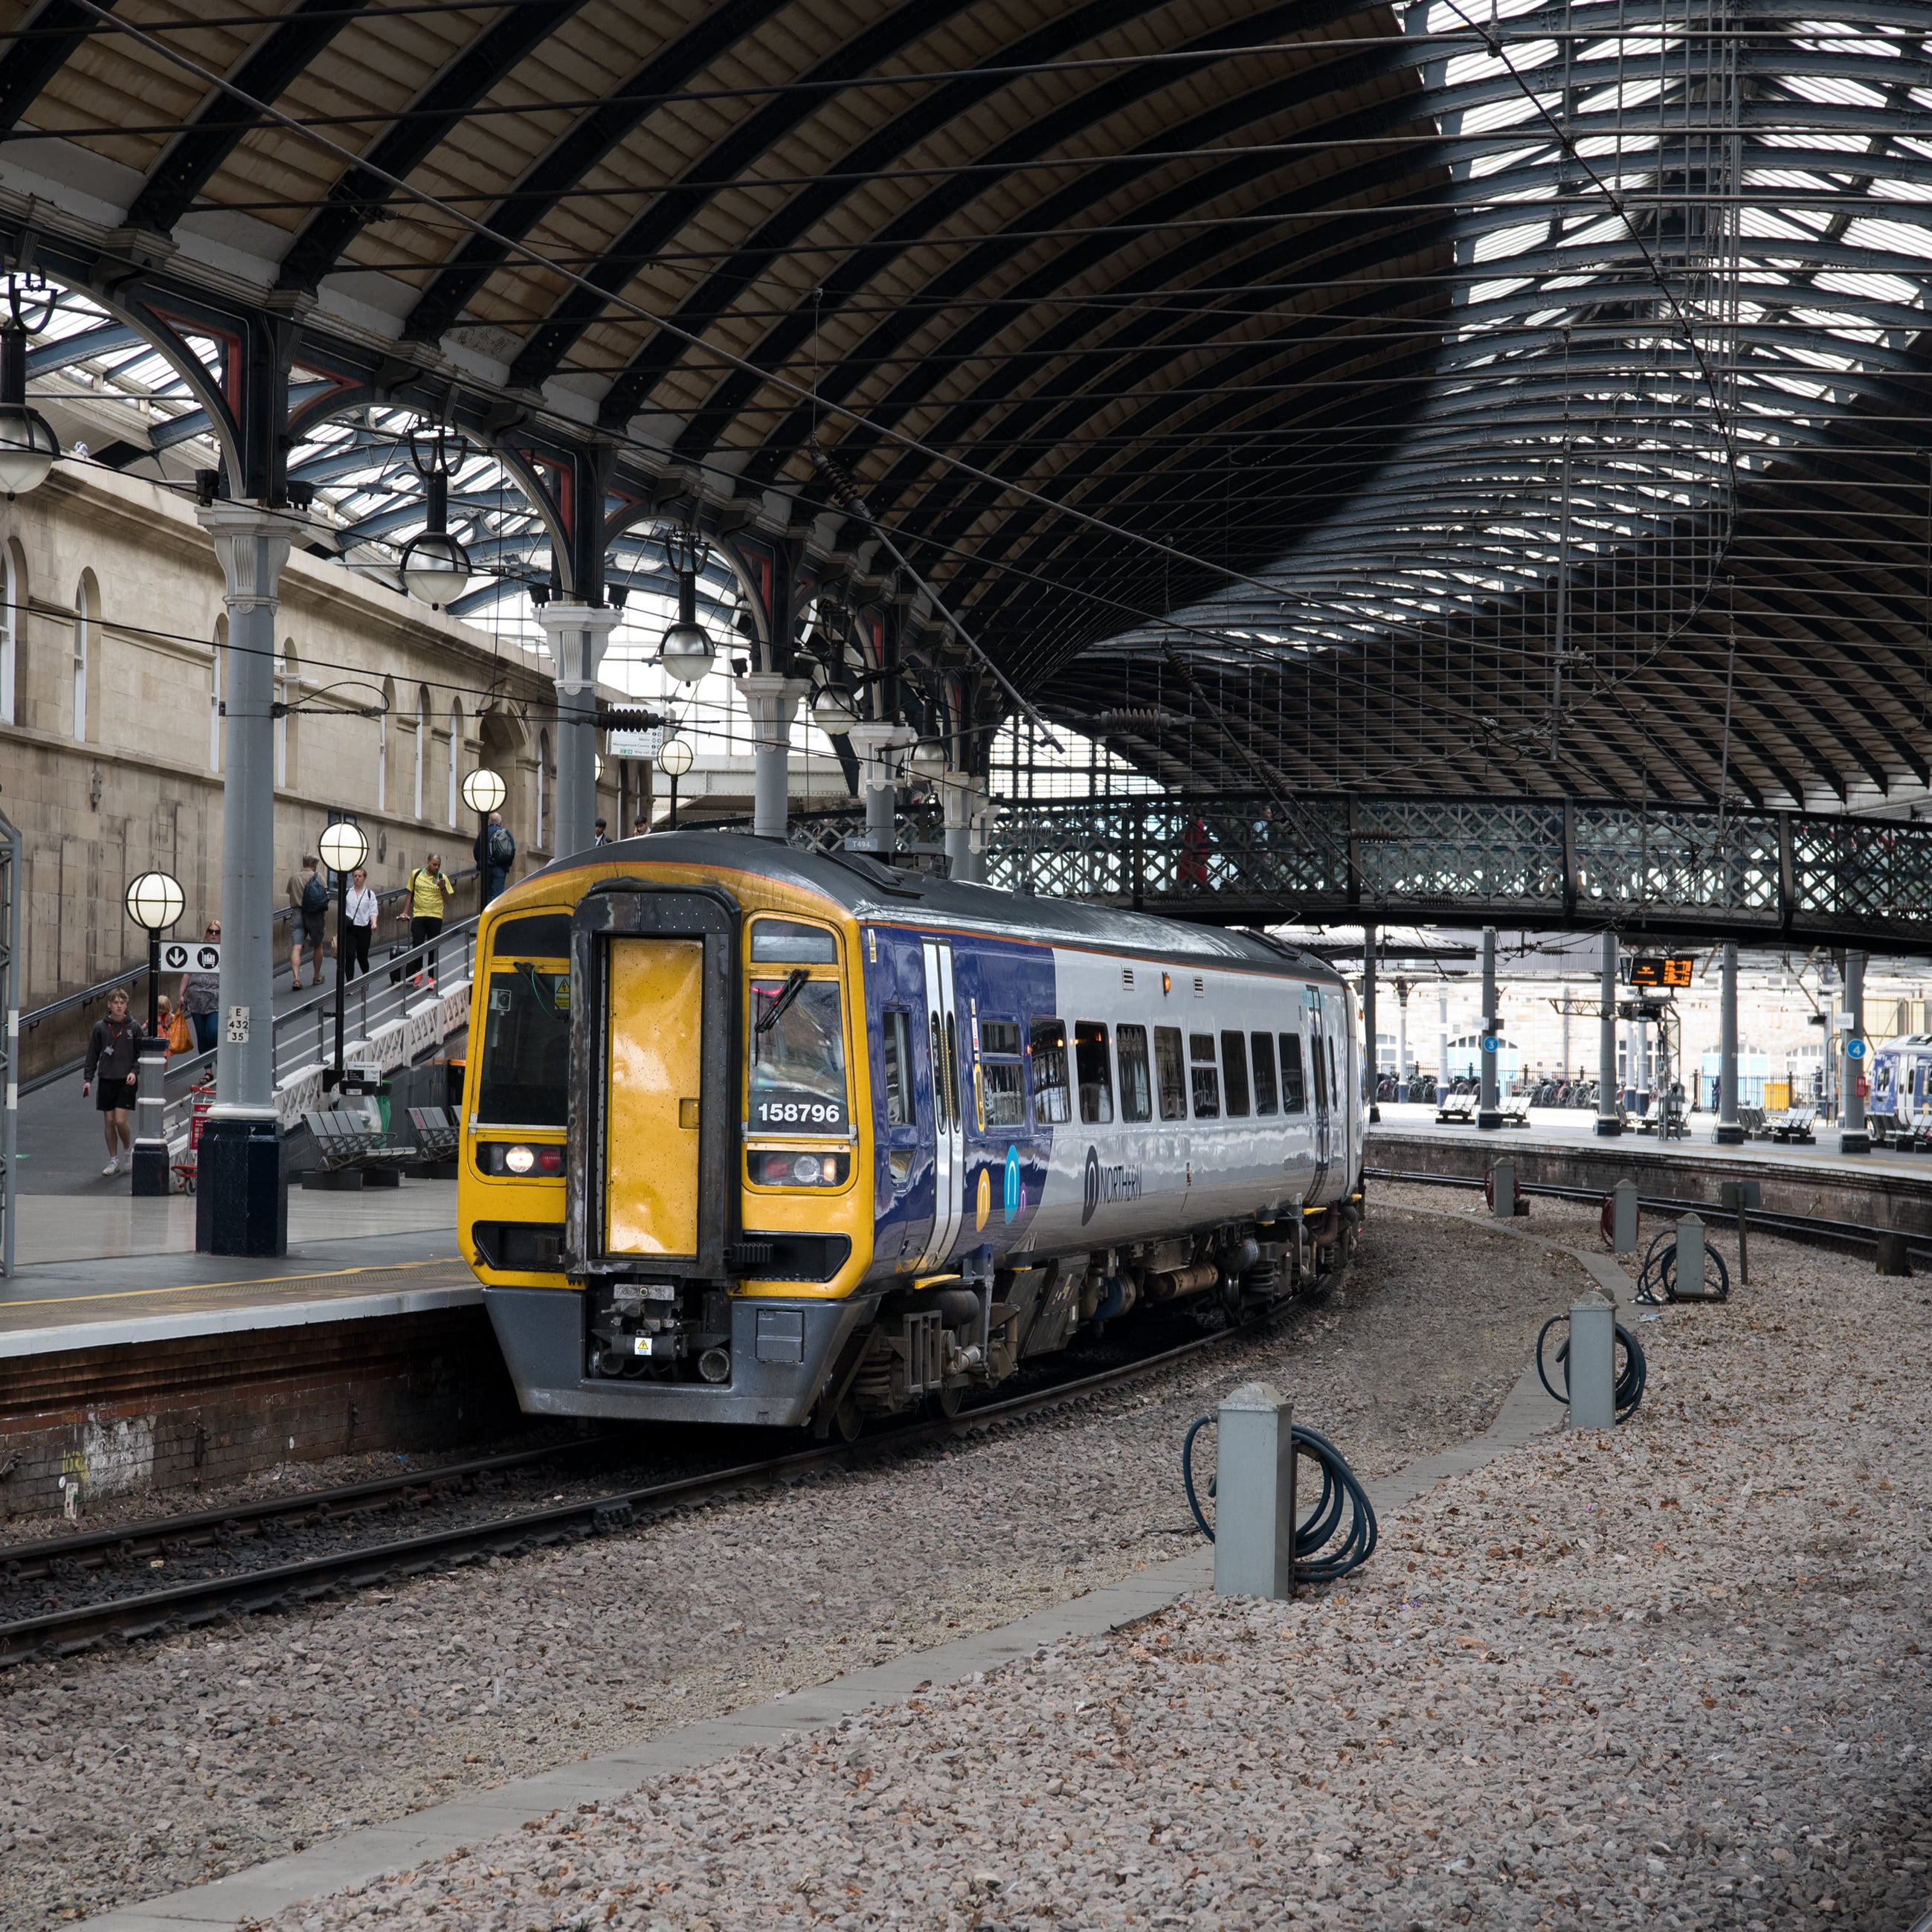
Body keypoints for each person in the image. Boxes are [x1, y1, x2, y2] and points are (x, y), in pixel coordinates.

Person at [83, 985, 142, 1176]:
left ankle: (127, 1150)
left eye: (122, 1003)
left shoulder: (134, 1027)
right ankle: (113, 1159)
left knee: (119, 1120)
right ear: (109, 1004)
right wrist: (88, 1079)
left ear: (126, 1005)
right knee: (109, 1121)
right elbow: (93, 1054)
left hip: (126, 1080)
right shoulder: (101, 1027)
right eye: (116, 1002)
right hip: (107, 1078)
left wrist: (134, 1071)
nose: (119, 1006)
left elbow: (139, 1054)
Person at [408, 851, 455, 988]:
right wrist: (405, 912)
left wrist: (443, 888)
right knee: (417, 944)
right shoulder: (416, 874)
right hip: (419, 915)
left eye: (439, 865)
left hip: (435, 916)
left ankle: (431, 977)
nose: (437, 867)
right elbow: (410, 893)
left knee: (433, 947)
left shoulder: (442, 878)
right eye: (434, 864)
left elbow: (448, 900)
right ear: (427, 862)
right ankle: (418, 972)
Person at [178, 921, 221, 1054]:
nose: (214, 934)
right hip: (196, 1000)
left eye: (217, 932)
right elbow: (187, 974)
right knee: (201, 1036)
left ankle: (217, 1057)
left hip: (215, 1000)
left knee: (212, 1031)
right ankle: (207, 1066)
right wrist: (181, 994)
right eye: (211, 931)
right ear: (207, 933)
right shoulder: (197, 949)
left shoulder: (225, 951)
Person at [287, 854, 327, 988]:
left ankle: (296, 979)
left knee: (297, 947)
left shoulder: (293, 878)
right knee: (318, 945)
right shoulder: (318, 876)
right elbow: (324, 897)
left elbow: (290, 894)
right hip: (315, 914)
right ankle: (316, 976)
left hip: (297, 912)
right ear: (315, 865)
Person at [343, 865, 378, 980]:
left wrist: (374, 923)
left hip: (364, 929)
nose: (357, 878)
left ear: (364, 878)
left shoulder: (369, 894)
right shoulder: (347, 893)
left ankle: (365, 977)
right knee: (350, 957)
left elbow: (373, 911)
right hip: (350, 929)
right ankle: (350, 983)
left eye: (360, 876)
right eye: (355, 876)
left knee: (362, 957)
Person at [474, 810, 515, 904]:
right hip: (500, 867)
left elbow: (476, 850)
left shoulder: (484, 832)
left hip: (486, 867)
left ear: (490, 822)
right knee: (499, 894)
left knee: (487, 894)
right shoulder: (506, 833)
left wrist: (480, 863)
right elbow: (512, 851)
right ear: (500, 823)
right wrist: (506, 865)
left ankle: (487, 911)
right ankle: (497, 911)